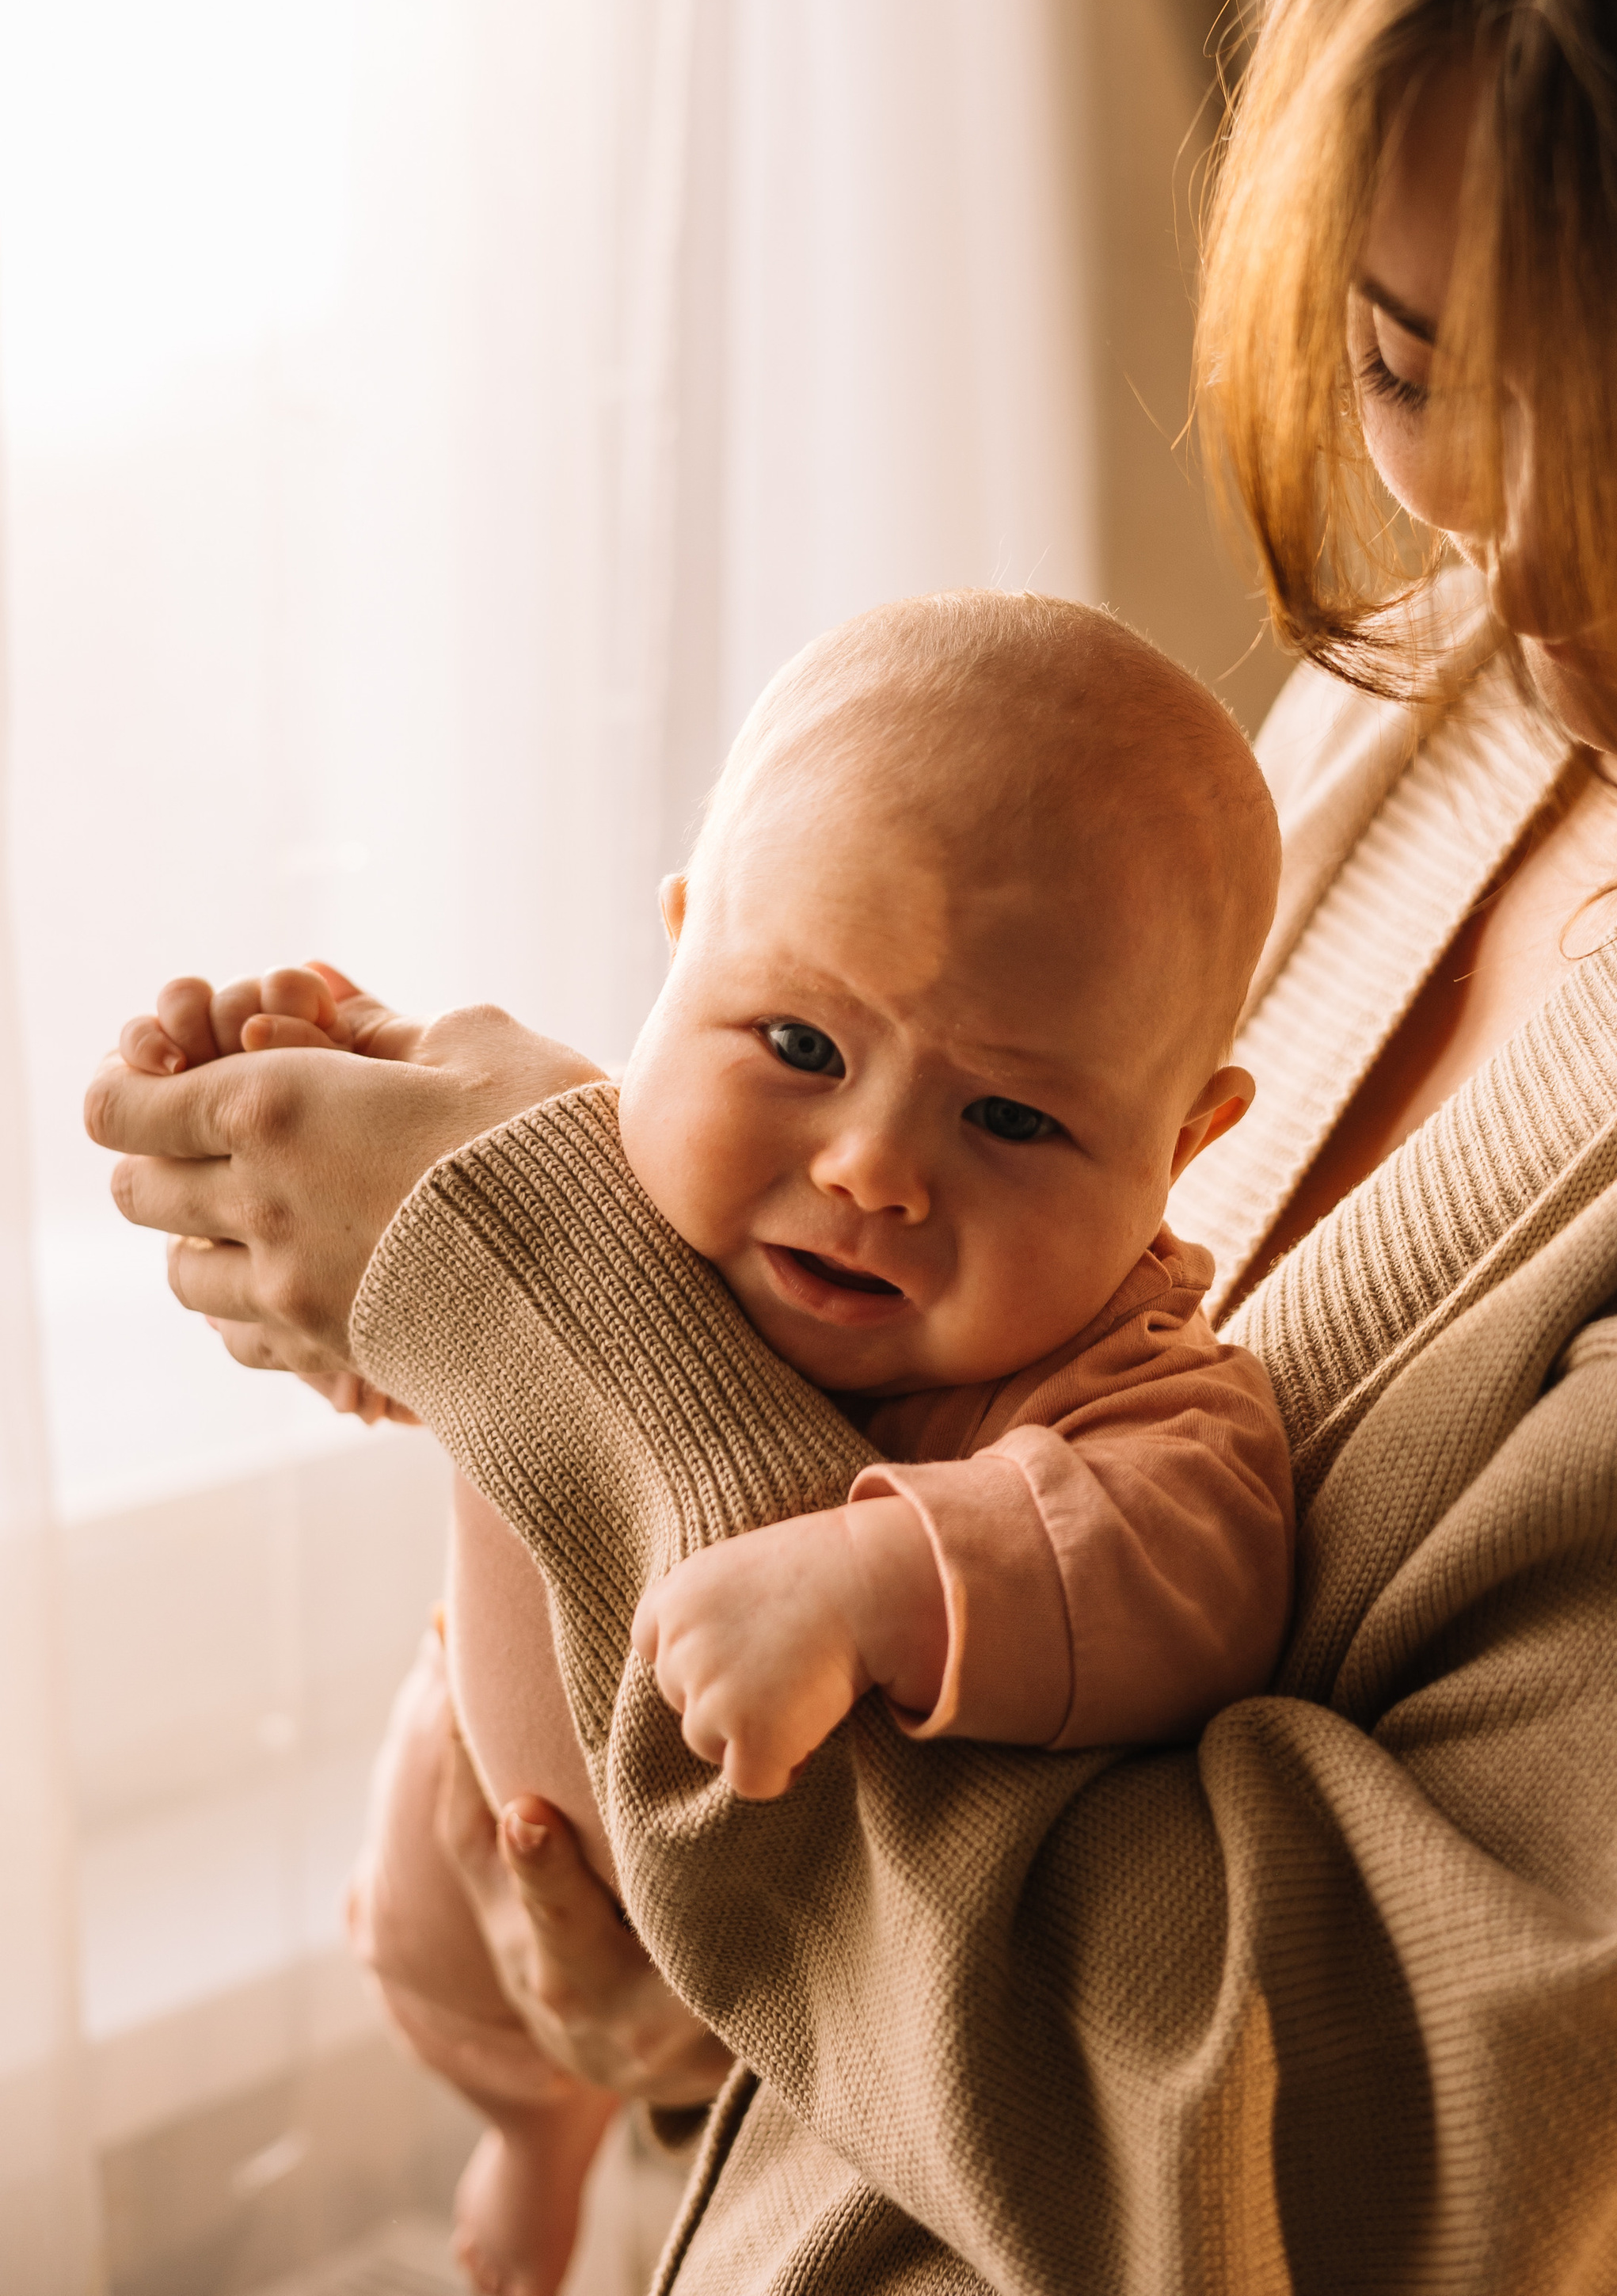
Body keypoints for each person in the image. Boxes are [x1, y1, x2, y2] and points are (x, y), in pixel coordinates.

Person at [87, 0, 1617, 2291]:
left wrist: (546, 1292)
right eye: (1410, 364)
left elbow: (1328, 2177)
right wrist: (669, 1919)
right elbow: (979, 1681)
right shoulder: (1452, 706)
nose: (1509, 571)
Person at [118, 594, 1292, 2296]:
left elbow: (1190, 1563)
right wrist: (315, 1139)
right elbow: (473, 1371)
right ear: (680, 953)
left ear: (1183, 1141)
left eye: (1012, 1117)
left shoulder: (1124, 1382)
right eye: (800, 1045)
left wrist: (877, 1582)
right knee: (442, 1955)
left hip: (750, 1985)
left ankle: (574, 2140)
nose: (871, 1167)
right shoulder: (630, 1180)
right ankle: (536, 2130)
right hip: (477, 1846)